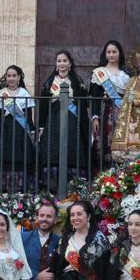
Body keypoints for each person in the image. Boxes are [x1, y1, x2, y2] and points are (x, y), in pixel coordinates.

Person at [37, 50, 94, 186]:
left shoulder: (77, 81)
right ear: (56, 64)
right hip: (53, 122)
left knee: (72, 149)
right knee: (53, 150)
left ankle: (73, 185)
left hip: (73, 122)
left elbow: (84, 101)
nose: (62, 63)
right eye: (59, 61)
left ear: (70, 64)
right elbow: (44, 106)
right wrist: (41, 126)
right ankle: (52, 185)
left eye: (64, 61)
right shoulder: (49, 82)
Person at [0, 65, 39, 190]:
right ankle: (4, 188)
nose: (11, 78)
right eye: (9, 76)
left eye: (14, 76)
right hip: (5, 130)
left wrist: (33, 131)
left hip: (21, 131)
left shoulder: (24, 94)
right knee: (5, 158)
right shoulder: (1, 93)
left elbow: (28, 117)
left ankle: (20, 188)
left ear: (19, 78)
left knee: (21, 157)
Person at [90, 40, 130, 168]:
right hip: (104, 113)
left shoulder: (127, 74)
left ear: (120, 53)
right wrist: (95, 117)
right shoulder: (99, 73)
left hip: (123, 114)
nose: (111, 55)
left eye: (114, 52)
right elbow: (94, 97)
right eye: (109, 52)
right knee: (104, 144)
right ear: (105, 54)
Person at [21, 203, 60, 280]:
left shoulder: (60, 242)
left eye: (49, 216)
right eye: (42, 215)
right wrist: (36, 276)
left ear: (55, 219)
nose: (44, 219)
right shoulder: (23, 238)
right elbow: (15, 263)